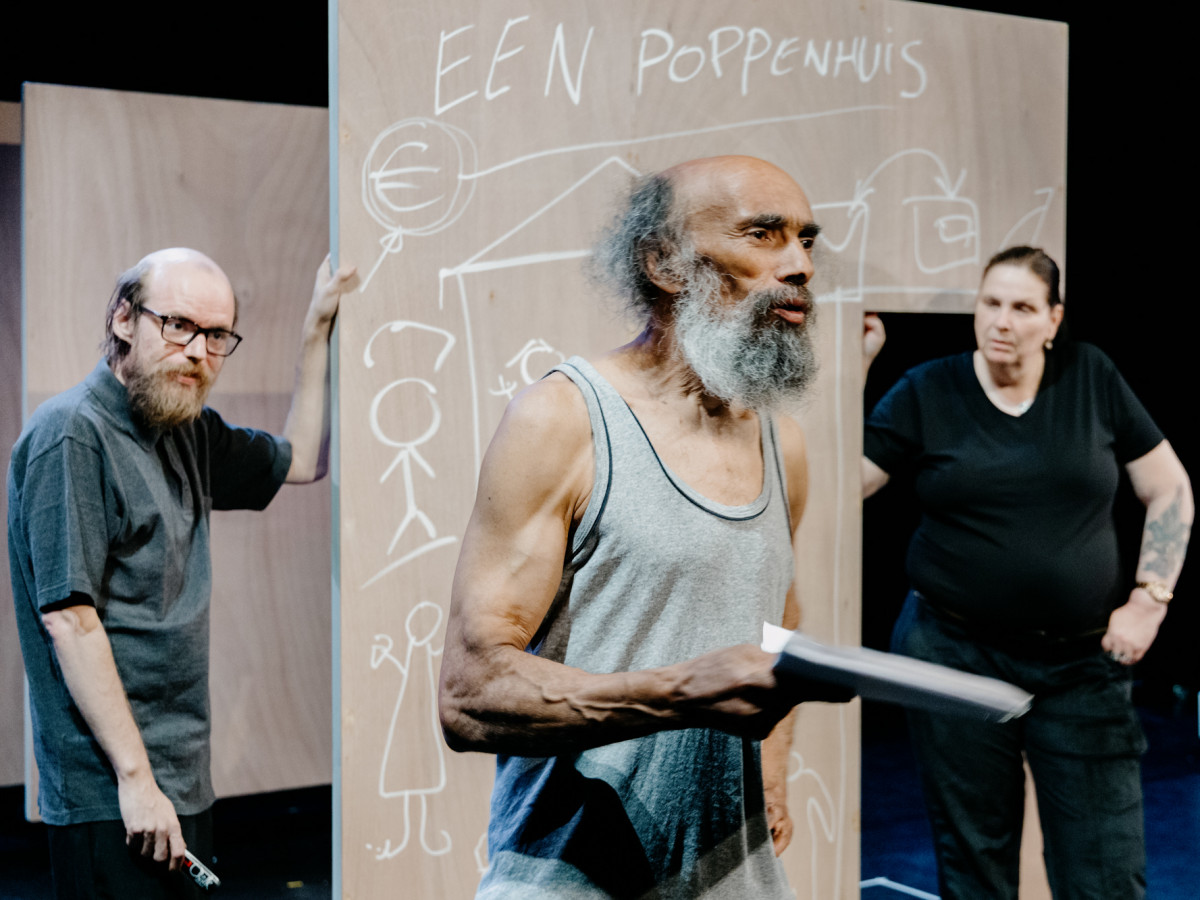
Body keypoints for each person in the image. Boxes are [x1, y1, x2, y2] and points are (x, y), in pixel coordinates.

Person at [438, 155, 849, 898]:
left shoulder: (780, 441)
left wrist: (772, 771)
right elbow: (470, 696)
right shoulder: (561, 420)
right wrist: (680, 691)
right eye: (763, 235)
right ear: (664, 263)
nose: (800, 266)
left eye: (806, 239)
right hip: (568, 876)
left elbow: (778, 622)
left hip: (736, 877)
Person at [7, 248, 358, 899]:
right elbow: (70, 621)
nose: (198, 352)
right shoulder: (71, 435)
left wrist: (316, 328)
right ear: (123, 319)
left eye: (217, 335)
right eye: (178, 326)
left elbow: (303, 459)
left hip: (180, 776)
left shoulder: (185, 429)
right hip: (110, 791)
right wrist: (136, 782)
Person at [861, 246, 1192, 899]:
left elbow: (1170, 488)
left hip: (1081, 663)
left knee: (1105, 871)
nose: (1001, 321)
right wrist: (859, 369)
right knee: (973, 862)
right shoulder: (928, 389)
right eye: (990, 303)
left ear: (1053, 319)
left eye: (1021, 307)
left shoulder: (1090, 375)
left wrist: (1149, 600)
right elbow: (846, 485)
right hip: (953, 651)